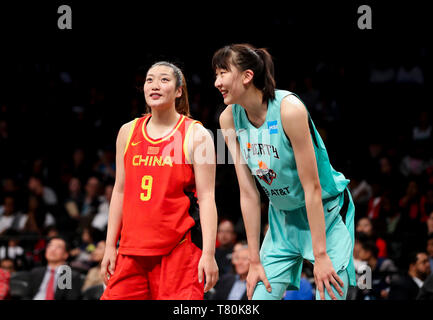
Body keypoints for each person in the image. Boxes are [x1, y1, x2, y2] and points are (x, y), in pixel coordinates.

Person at [214, 43, 355, 300]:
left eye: (223, 72)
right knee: (257, 299)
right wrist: (254, 260)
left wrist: (321, 255)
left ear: (247, 76)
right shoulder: (228, 119)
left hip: (325, 214)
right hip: (281, 220)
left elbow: (311, 187)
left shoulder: (290, 110)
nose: (217, 82)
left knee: (330, 295)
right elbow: (248, 193)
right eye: (215, 74)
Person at [100, 61, 219, 300]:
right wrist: (109, 246)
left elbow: (206, 198)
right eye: (149, 79)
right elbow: (120, 191)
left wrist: (208, 253)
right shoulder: (128, 131)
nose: (155, 85)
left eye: (164, 79)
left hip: (178, 251)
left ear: (178, 91)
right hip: (130, 251)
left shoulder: (196, 135)